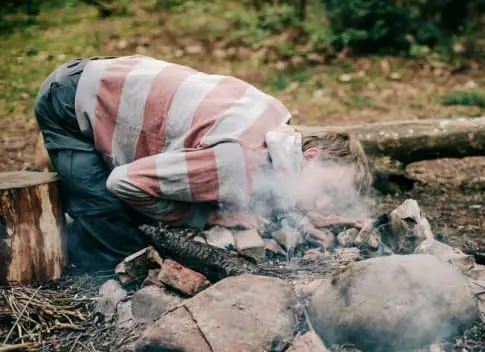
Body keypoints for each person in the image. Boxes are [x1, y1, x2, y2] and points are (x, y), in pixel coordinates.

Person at [34, 55, 371, 272]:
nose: (324, 202)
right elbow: (123, 183)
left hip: (106, 72)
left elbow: (263, 180)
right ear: (309, 157)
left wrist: (297, 217)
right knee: (118, 246)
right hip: (70, 100)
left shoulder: (278, 125)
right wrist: (207, 215)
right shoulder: (239, 162)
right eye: (326, 189)